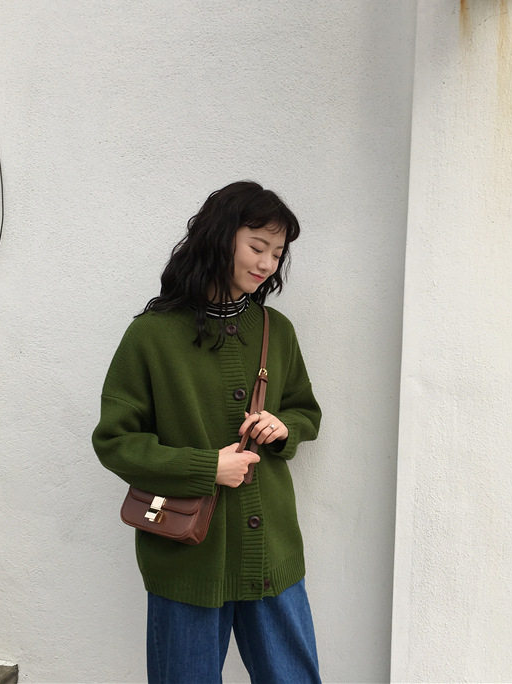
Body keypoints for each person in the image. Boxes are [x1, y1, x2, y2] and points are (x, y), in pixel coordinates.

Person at [92, 180, 322, 683]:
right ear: (220, 238)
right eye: (257, 246)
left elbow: (306, 411)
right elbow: (115, 442)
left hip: (272, 555)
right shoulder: (152, 335)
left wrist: (283, 427)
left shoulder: (276, 330)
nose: (267, 264)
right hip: (187, 561)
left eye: (277, 253)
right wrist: (206, 467)